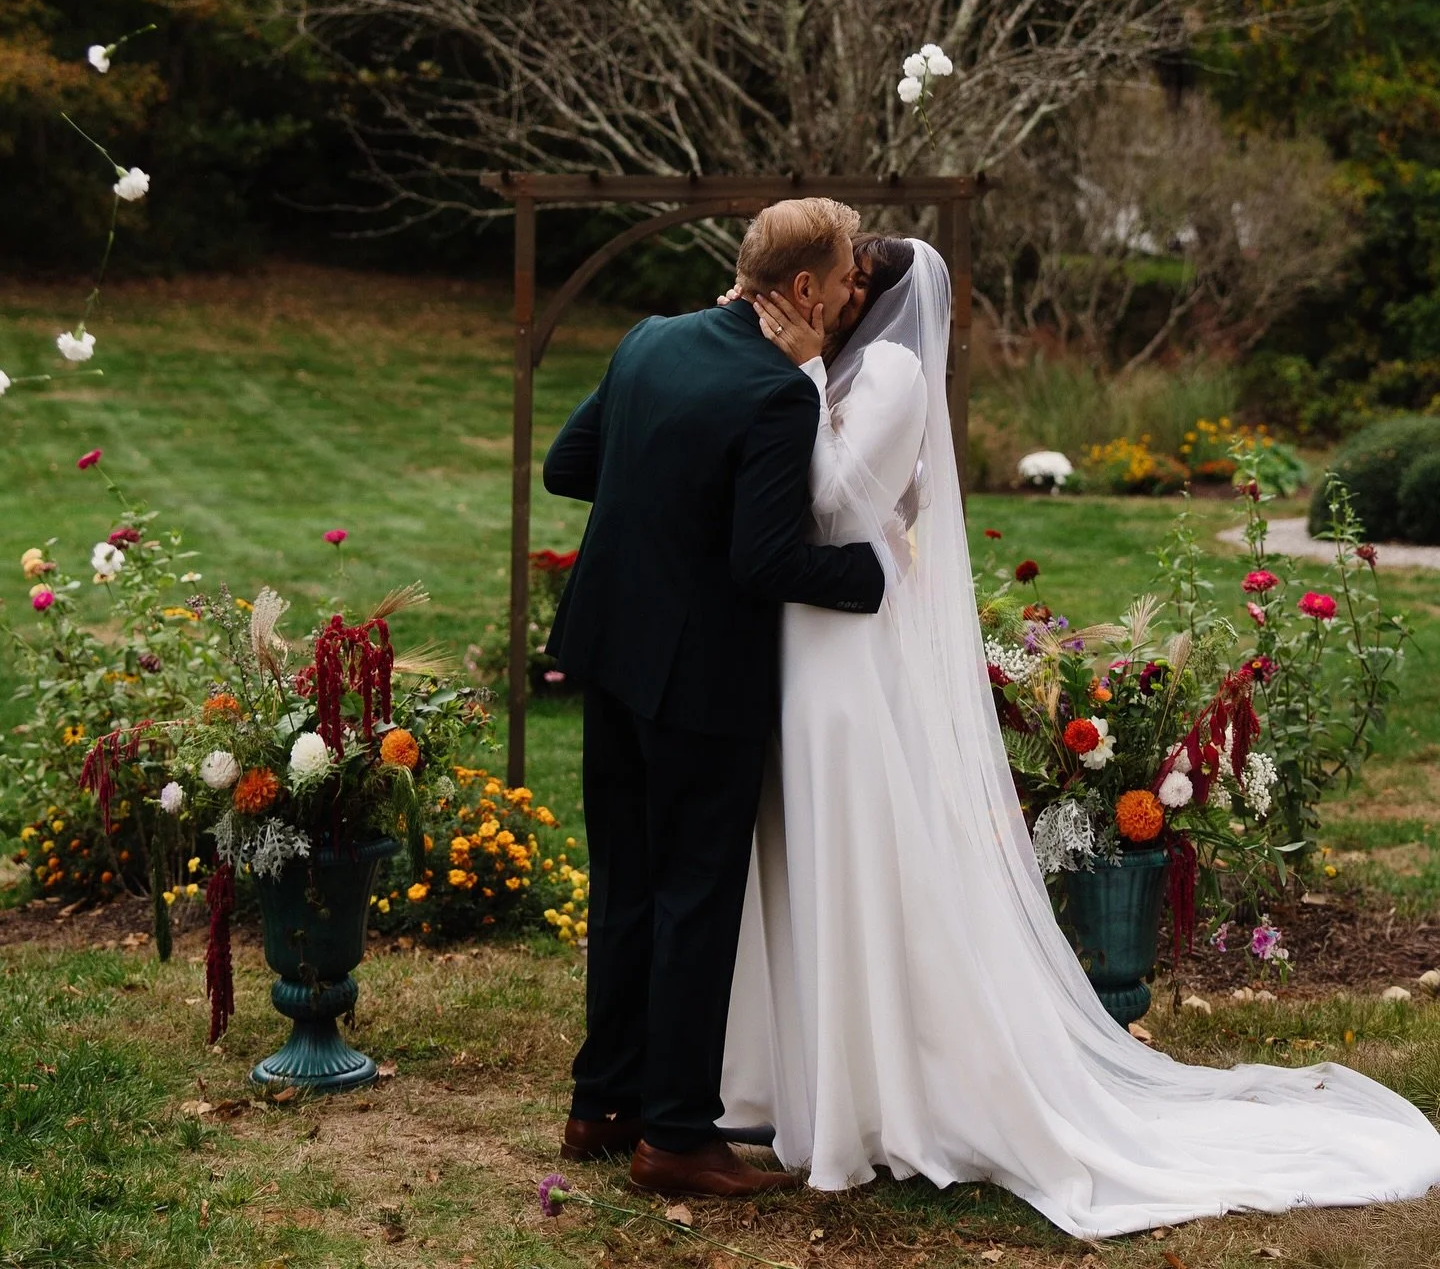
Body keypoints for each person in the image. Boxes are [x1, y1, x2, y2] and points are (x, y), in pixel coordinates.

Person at [721, 237, 1440, 1237]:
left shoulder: (882, 369)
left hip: (839, 635)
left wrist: (799, 379)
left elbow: (840, 503)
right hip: (813, 633)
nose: (830, 293)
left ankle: (876, 1095)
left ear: (865, 297)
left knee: (857, 850)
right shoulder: (848, 365)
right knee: (820, 852)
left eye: (844, 281)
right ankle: (800, 1080)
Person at [541, 197, 887, 1201]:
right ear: (807, 288)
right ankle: (678, 1137)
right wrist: (881, 577)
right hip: (698, 682)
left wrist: (663, 488)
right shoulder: (774, 394)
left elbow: (571, 466)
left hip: (608, 656)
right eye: (845, 277)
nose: (853, 293)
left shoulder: (651, 340)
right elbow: (766, 559)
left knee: (627, 885)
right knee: (695, 899)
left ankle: (602, 1105)